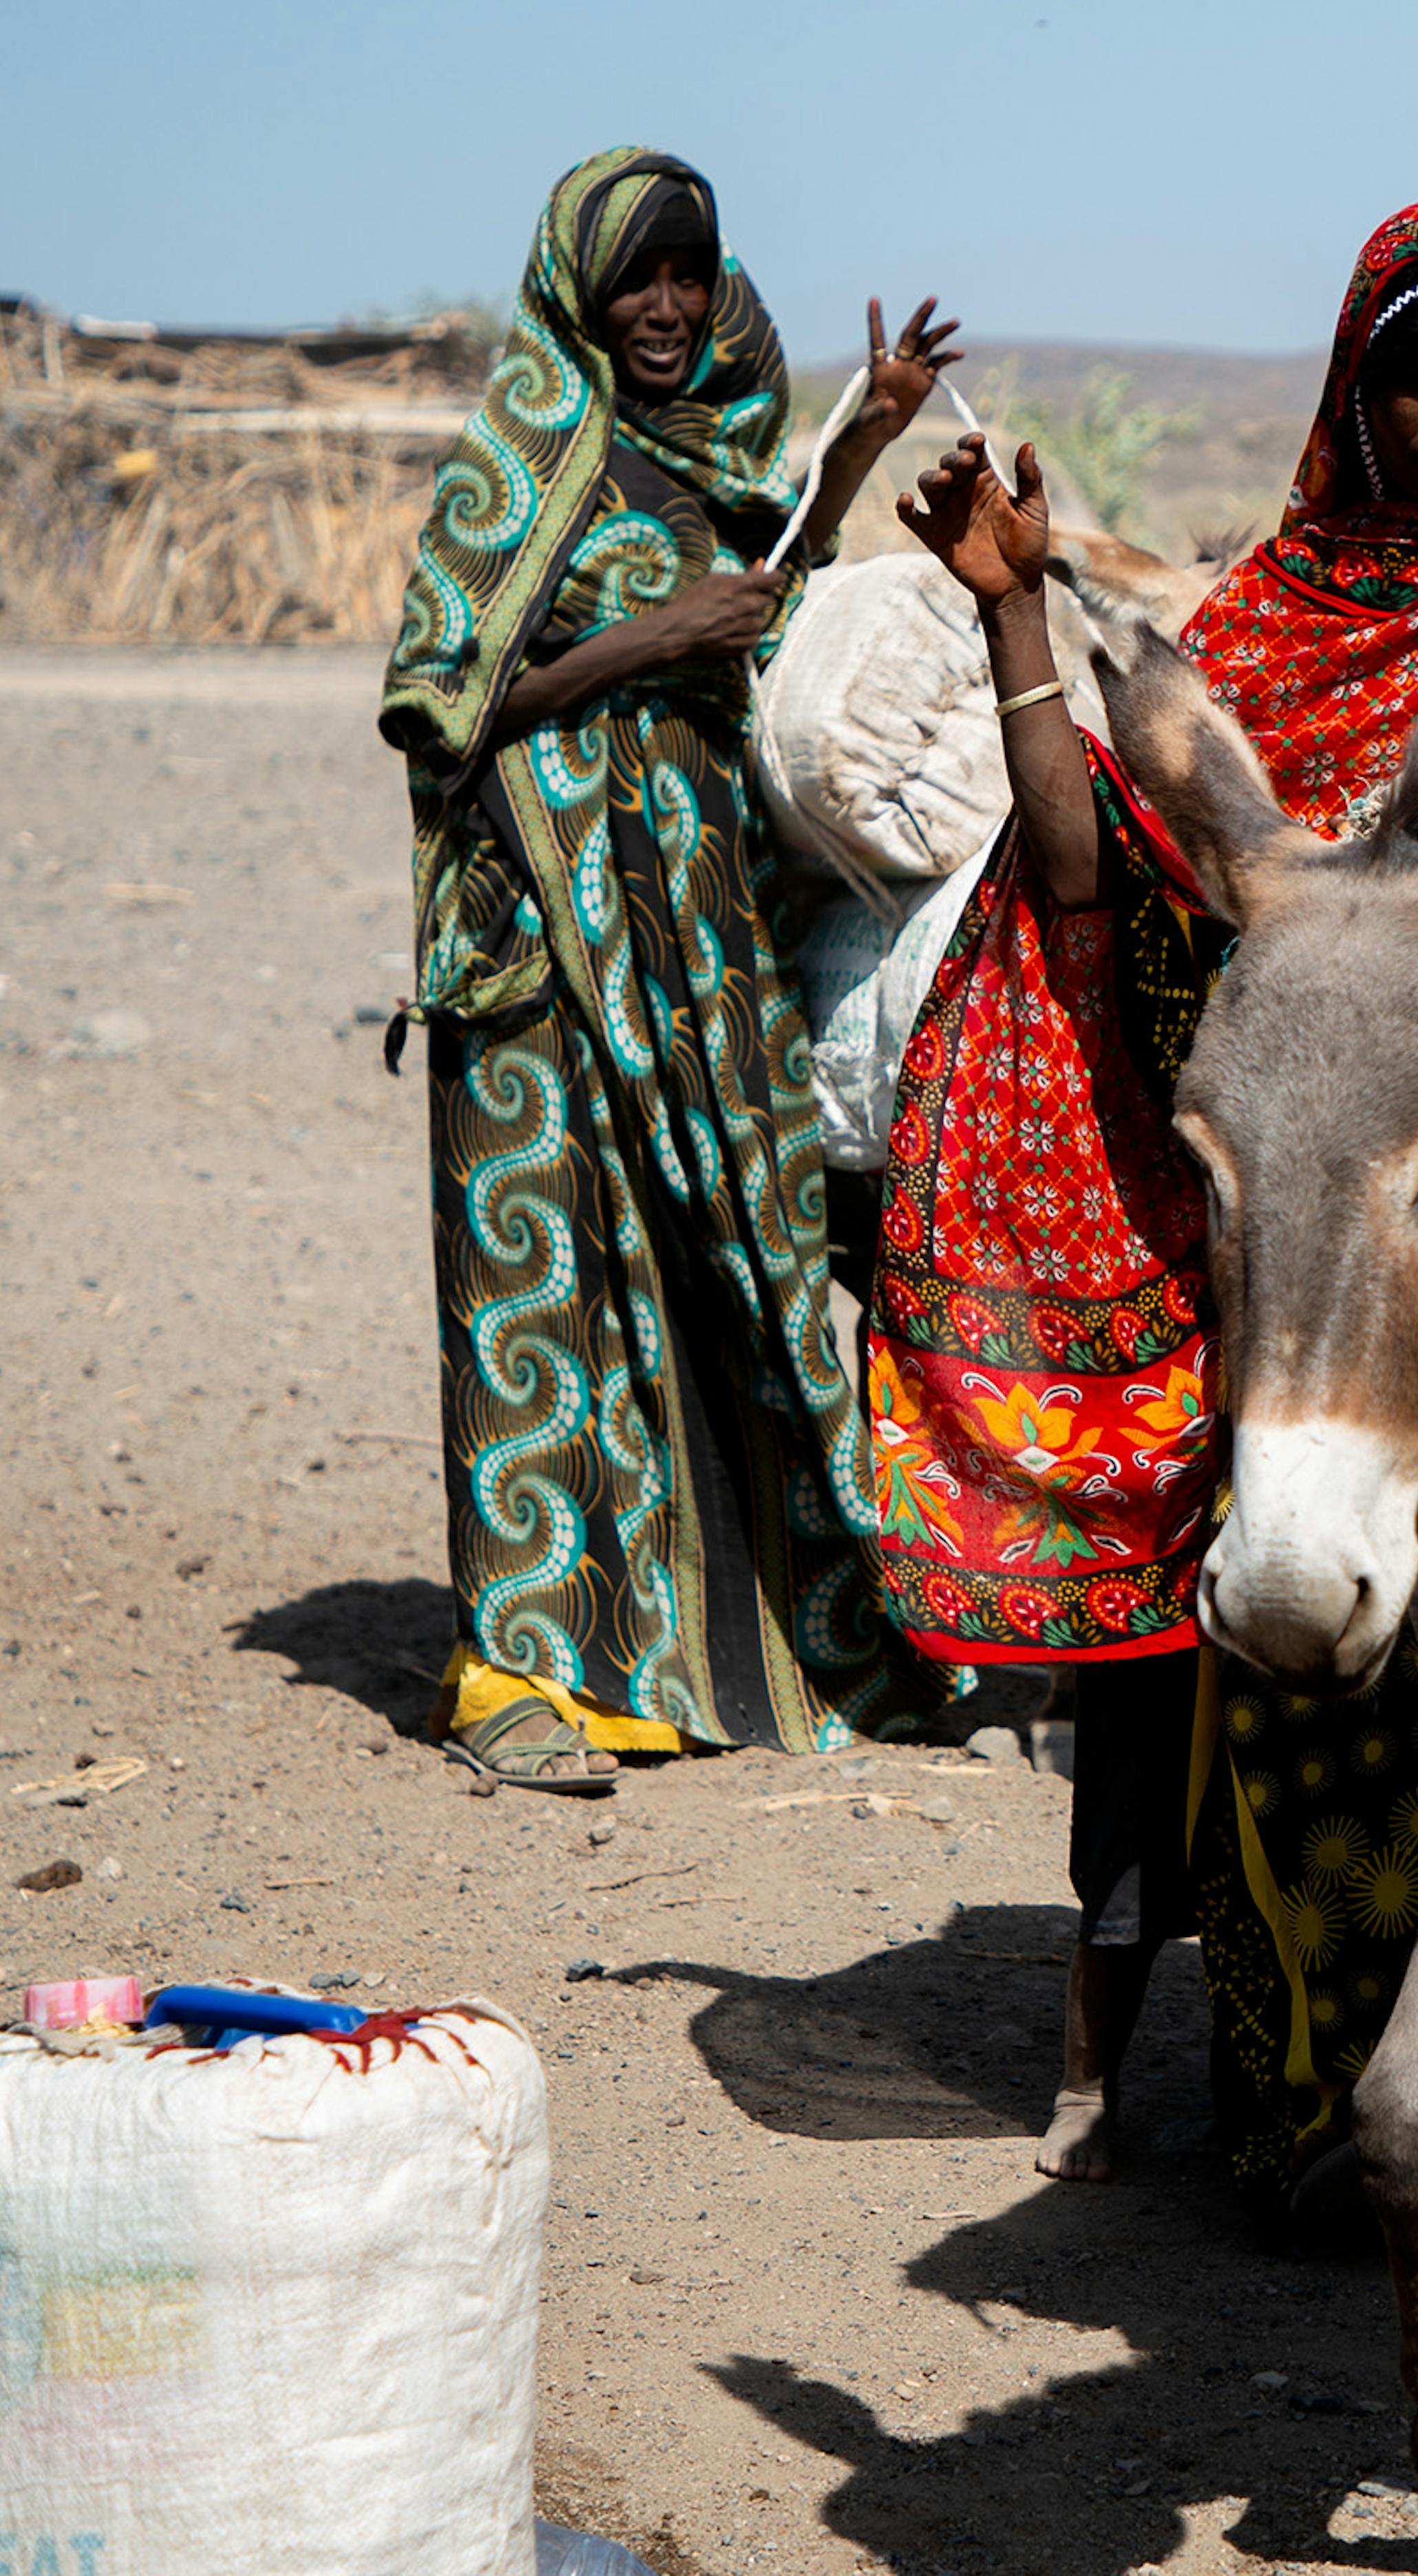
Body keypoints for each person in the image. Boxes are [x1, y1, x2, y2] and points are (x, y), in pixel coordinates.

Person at [873, 200, 1418, 2206]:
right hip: (1304, 1291)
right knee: (1299, 1693)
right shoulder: (1260, 636)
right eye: (1413, 375)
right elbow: (1093, 884)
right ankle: (1303, 2120)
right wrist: (1014, 624)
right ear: (1352, 390)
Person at [378, 146, 962, 1791]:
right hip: (538, 940)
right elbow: (438, 693)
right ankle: (519, 1674)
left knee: (724, 1265)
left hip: (701, 936)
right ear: (575, 287)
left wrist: (854, 449)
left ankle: (763, 1638)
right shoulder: (520, 463)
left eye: (686, 273)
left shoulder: (710, 449)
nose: (661, 306)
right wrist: (650, 643)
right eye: (634, 276)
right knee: (540, 1290)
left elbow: (758, 611)